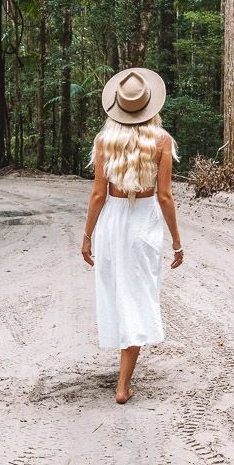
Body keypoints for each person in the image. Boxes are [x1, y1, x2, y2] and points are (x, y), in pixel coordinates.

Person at [80, 67, 183, 404]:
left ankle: (123, 371)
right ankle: (123, 384)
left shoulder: (104, 141)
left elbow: (97, 195)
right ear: (150, 106)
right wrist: (178, 242)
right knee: (138, 292)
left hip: (112, 219)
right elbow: (166, 196)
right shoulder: (161, 140)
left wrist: (86, 236)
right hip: (145, 220)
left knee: (118, 290)